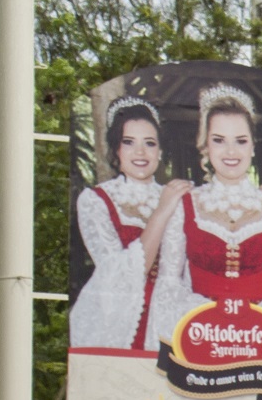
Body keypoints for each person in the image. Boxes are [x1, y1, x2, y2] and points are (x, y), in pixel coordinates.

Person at [144, 84, 262, 350]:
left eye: (240, 141)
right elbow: (168, 284)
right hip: (199, 338)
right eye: (219, 140)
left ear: (253, 146)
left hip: (260, 341)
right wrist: (209, 321)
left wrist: (259, 324)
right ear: (205, 146)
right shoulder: (185, 204)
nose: (231, 152)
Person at [69, 96, 180, 350]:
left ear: (160, 151)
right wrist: (162, 212)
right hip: (119, 321)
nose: (140, 152)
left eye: (149, 143)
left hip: (173, 321)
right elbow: (117, 273)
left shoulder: (178, 196)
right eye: (128, 142)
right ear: (116, 149)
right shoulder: (96, 200)